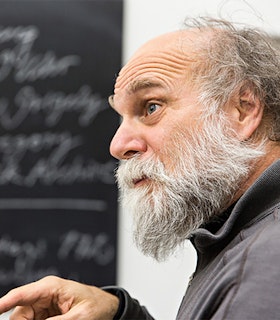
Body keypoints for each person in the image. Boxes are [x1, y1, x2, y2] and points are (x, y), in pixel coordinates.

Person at [0, 16, 280, 320]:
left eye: (150, 107)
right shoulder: (245, 242)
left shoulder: (262, 266)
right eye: (122, 117)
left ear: (243, 110)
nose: (118, 145)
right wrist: (120, 314)